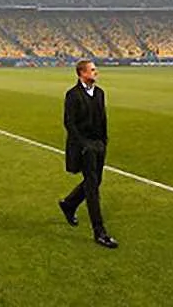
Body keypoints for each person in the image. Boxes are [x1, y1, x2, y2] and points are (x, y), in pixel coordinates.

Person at [58, 59, 117, 248]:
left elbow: (102, 118)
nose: (96, 72)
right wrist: (83, 145)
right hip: (84, 147)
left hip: (98, 145)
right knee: (92, 186)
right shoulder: (72, 95)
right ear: (81, 73)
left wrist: (103, 141)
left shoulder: (100, 93)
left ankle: (69, 204)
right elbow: (69, 123)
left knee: (96, 181)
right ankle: (99, 232)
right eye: (92, 70)